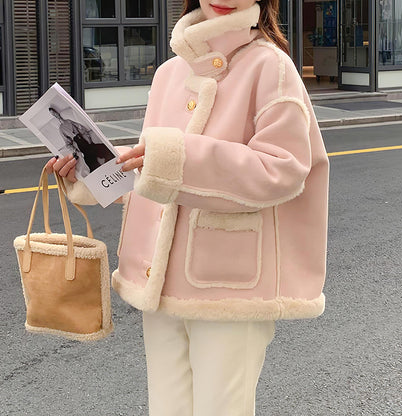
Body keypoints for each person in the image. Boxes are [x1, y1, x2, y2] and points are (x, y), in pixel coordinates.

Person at [46, 0, 329, 414]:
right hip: (159, 281)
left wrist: (172, 159)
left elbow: (283, 169)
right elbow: (150, 174)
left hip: (229, 285)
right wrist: (86, 172)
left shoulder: (271, 67)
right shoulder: (169, 73)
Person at [49, 107, 115, 175]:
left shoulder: (69, 121)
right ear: (54, 116)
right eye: (53, 114)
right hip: (79, 143)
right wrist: (76, 151)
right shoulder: (61, 130)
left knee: (102, 149)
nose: (56, 115)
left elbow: (80, 127)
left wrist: (86, 135)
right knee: (89, 158)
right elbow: (68, 144)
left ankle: (110, 162)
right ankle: (98, 171)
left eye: (55, 113)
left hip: (85, 138)